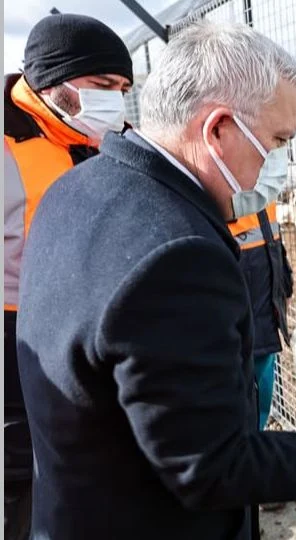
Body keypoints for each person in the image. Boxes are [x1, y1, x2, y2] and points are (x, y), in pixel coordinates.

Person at [16, 20, 296, 540]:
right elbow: (215, 466)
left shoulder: (75, 188)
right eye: (277, 140)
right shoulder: (176, 259)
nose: (280, 165)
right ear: (218, 128)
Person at [3, 14, 133, 540]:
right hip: (16, 336)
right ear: (55, 82)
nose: (116, 101)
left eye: (123, 88)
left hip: (87, 326)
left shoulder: (101, 137)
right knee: (20, 465)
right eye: (102, 86)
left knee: (84, 454)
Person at [228, 201, 291, 433]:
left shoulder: (263, 183)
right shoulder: (219, 183)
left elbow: (272, 236)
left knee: (262, 390)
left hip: (265, 302)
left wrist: (285, 282)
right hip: (240, 306)